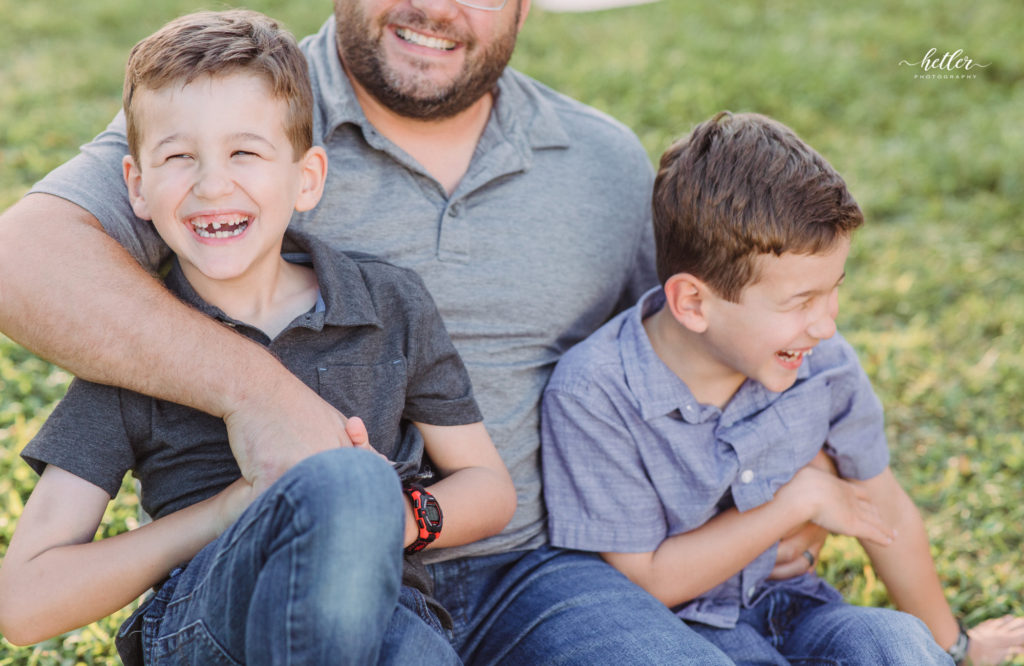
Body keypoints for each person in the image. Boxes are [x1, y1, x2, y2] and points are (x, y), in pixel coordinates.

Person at [0, 0, 812, 662]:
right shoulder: (235, 91)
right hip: (254, 591)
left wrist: (768, 502)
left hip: (534, 571)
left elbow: (688, 352)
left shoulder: (601, 165)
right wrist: (260, 404)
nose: (432, 5)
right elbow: (21, 261)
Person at [0, 10, 518, 664]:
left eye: (245, 152)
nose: (213, 184)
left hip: (387, 605)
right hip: (208, 619)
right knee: (348, 487)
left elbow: (488, 487)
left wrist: (368, 517)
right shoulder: (139, 349)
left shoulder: (389, 305)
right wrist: (230, 511)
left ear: (307, 179)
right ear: (136, 184)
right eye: (178, 156)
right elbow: (24, 604)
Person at [541, 110, 1024, 665]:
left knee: (897, 646)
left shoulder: (823, 365)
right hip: (685, 633)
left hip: (799, 607)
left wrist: (955, 645)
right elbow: (646, 580)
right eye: (801, 302)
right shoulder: (594, 394)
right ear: (693, 303)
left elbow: (884, 506)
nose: (827, 325)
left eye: (832, 291)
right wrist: (798, 501)